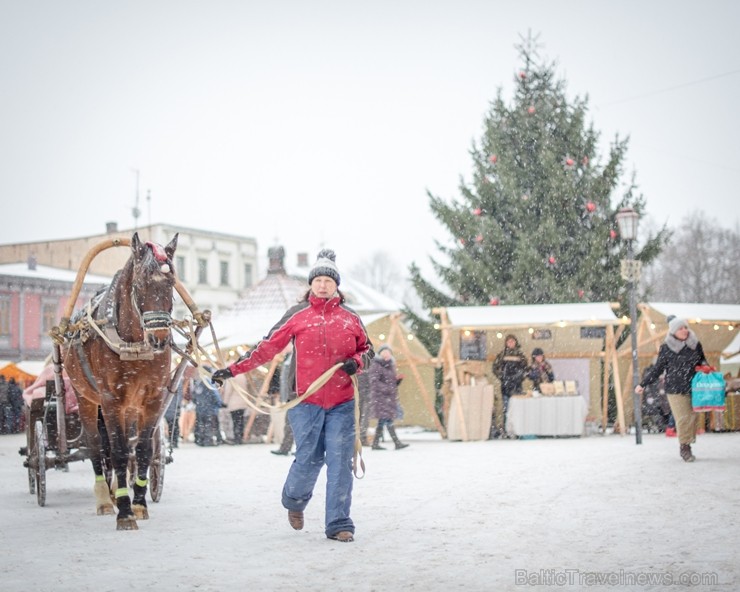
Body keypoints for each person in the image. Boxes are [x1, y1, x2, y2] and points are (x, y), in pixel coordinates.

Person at [211, 249, 374, 543]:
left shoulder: (350, 318)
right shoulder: (298, 316)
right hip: (305, 401)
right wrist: (233, 370)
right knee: (309, 457)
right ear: (311, 284)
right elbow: (266, 348)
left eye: (328, 280)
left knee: (340, 462)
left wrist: (357, 362)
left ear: (336, 285)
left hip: (342, 402)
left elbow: (368, 350)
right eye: (318, 280)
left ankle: (338, 522)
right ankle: (294, 501)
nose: (323, 285)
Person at [635, 317, 707, 462]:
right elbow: (657, 369)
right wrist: (643, 384)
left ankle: (687, 442)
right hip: (675, 388)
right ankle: (684, 447)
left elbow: (702, 360)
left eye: (686, 327)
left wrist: (706, 368)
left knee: (692, 418)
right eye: (681, 328)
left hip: (694, 387)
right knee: (682, 418)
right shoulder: (666, 347)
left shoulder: (695, 344)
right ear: (674, 331)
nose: (684, 330)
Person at [369, 344, 409, 450]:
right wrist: (387, 388)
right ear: (380, 354)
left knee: (383, 421)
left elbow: (391, 383)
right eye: (384, 352)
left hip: (388, 398)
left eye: (388, 352)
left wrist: (397, 381)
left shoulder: (390, 366)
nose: (386, 354)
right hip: (381, 398)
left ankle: (376, 443)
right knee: (387, 420)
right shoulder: (376, 365)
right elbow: (374, 382)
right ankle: (396, 442)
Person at [491, 334, 527, 438]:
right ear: (506, 343)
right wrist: (502, 377)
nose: (511, 343)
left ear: (516, 342)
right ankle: (507, 431)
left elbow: (525, 369)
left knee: (518, 409)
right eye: (509, 341)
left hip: (517, 387)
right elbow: (494, 368)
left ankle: (518, 430)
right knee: (507, 409)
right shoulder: (502, 355)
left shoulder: (520, 355)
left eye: (512, 341)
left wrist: (520, 377)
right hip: (506, 387)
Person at [271, 348, 296, 455]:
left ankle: (300, 448)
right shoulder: (288, 357)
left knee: (297, 424)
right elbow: (285, 380)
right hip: (291, 397)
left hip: (297, 397)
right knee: (290, 423)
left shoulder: (296, 356)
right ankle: (286, 447)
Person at [193, 370, 226, 446]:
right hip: (210, 408)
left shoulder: (198, 382)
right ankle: (209, 440)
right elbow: (214, 393)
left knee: (202, 425)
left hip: (200, 408)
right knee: (210, 425)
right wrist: (220, 403)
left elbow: (194, 395)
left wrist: (198, 404)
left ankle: (201, 440)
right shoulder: (208, 381)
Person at [221, 370, 250, 445]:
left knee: (235, 421)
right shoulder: (242, 375)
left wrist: (225, 402)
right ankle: (240, 437)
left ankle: (236, 437)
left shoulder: (231, 377)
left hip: (234, 402)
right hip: (242, 402)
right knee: (240, 421)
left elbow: (228, 391)